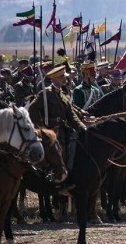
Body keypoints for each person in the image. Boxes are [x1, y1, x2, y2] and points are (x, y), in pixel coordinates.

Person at [28, 65, 90, 194]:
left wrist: (82, 127)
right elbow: (32, 110)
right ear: (54, 78)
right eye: (62, 77)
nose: (65, 79)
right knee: (59, 152)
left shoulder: (63, 94)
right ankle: (59, 181)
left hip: (64, 129)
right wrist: (42, 129)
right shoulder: (45, 94)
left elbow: (71, 114)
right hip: (52, 133)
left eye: (65, 77)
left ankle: (72, 176)